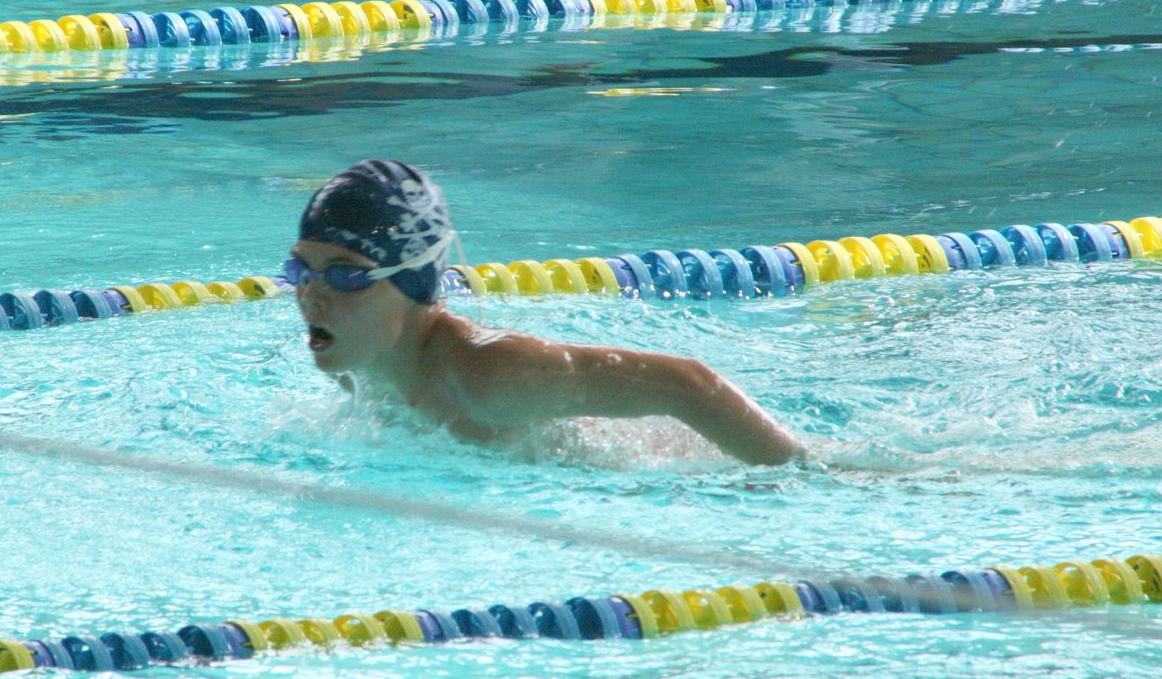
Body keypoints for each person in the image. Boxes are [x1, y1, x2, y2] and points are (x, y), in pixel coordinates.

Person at [286, 159, 804, 466]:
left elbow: (687, 383)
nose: (312, 294)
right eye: (300, 270)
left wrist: (796, 471)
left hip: (684, 466)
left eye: (344, 275)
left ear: (411, 280)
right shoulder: (361, 364)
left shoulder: (489, 372)